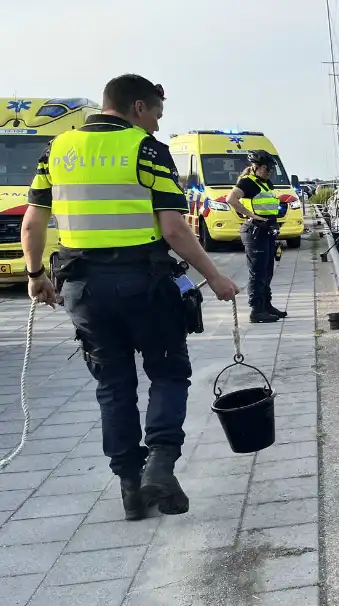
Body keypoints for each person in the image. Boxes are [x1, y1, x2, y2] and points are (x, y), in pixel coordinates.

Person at [21, 74, 240, 520]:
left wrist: (35, 275)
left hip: (82, 288)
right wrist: (215, 276)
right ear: (138, 107)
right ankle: (160, 463)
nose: (158, 126)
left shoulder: (57, 150)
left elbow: (32, 224)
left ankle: (129, 487)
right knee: (168, 372)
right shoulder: (146, 149)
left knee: (113, 386)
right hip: (145, 284)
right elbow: (175, 228)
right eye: (157, 114)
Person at [226, 150, 284, 323]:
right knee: (258, 272)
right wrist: (252, 215)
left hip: (267, 230)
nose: (270, 172)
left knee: (267, 270)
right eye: (268, 169)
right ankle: (257, 310)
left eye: (272, 169)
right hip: (255, 231)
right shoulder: (247, 182)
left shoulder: (265, 183)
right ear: (257, 167)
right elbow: (231, 199)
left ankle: (266, 305)